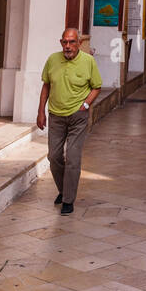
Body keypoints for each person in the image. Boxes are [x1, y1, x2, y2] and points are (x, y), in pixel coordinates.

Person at [37, 28, 103, 213]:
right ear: (61, 43)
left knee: (73, 158)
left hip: (78, 116)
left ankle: (68, 200)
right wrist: (40, 111)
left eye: (72, 42)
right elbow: (46, 86)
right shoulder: (52, 60)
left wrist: (86, 105)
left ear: (79, 43)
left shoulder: (88, 61)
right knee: (54, 156)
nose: (68, 46)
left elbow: (97, 87)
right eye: (65, 42)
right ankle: (63, 190)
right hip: (56, 116)